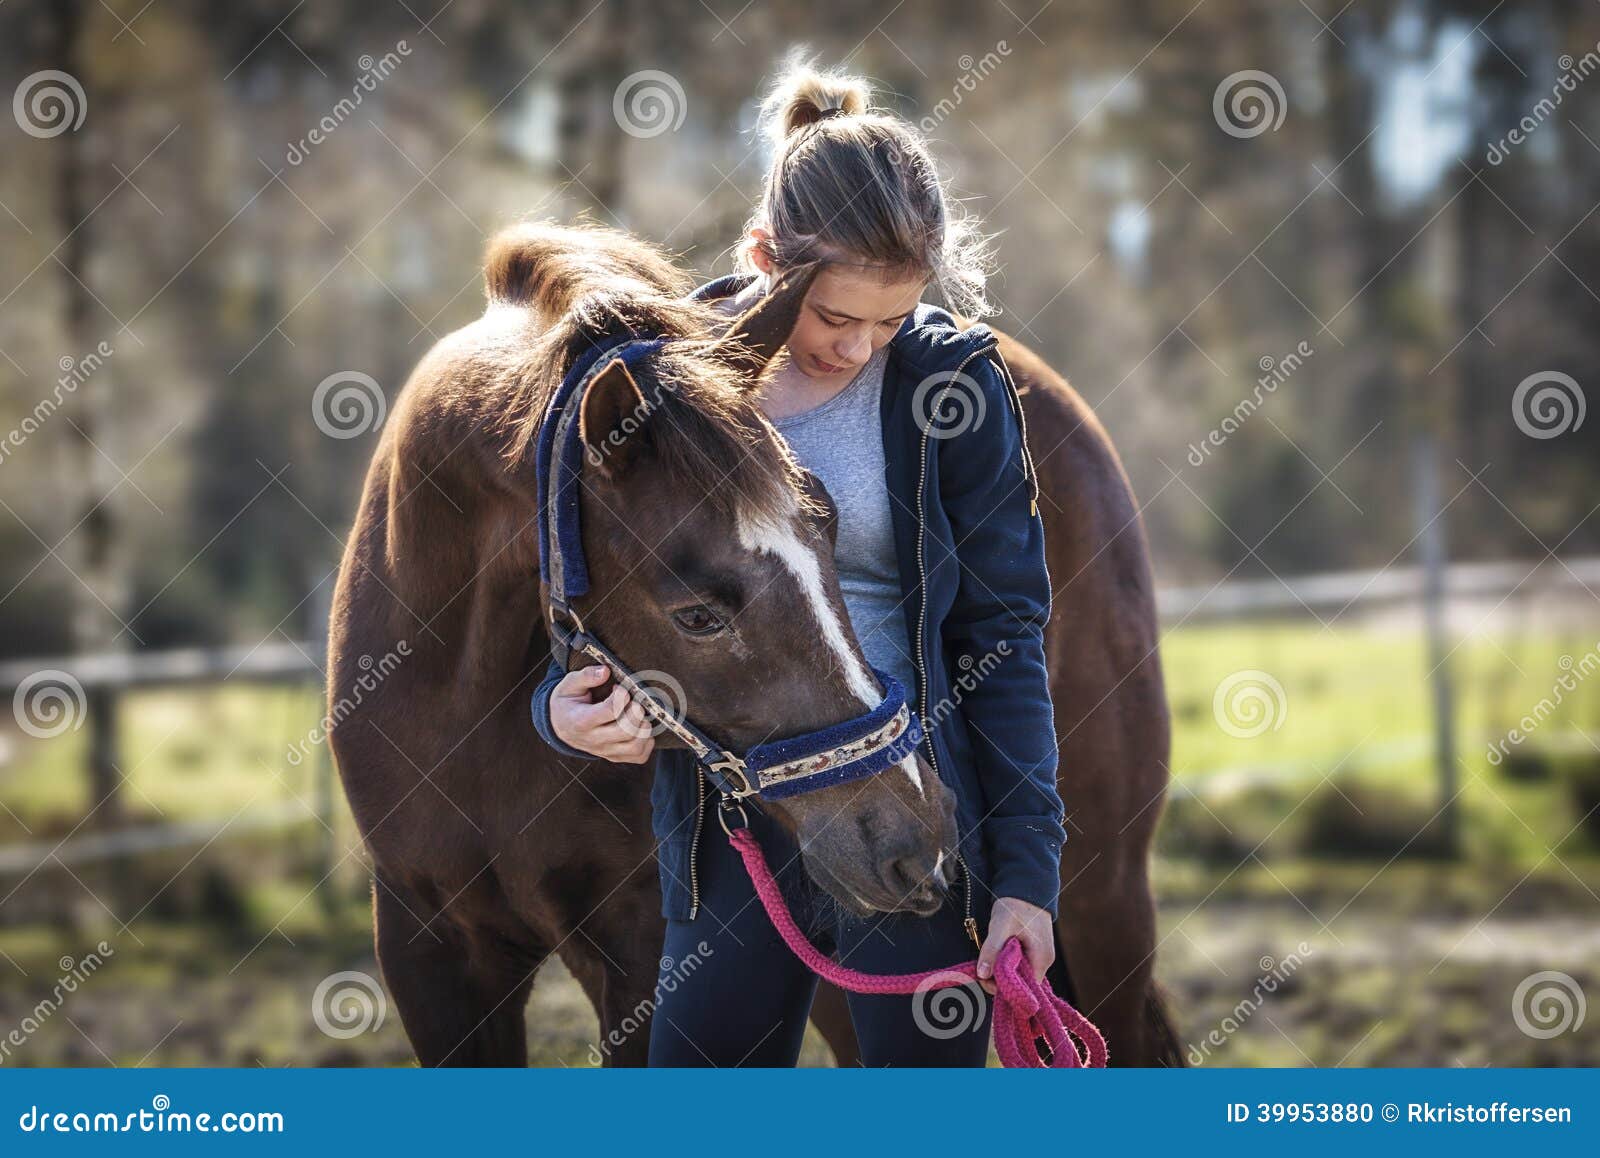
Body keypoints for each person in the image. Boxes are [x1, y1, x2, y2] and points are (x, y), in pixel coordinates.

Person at [530, 56, 1067, 1067]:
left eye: (890, 320)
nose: (860, 348)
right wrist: (557, 709)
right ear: (763, 256)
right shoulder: (661, 391)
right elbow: (584, 603)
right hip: (726, 827)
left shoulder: (954, 390)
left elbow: (1003, 637)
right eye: (833, 317)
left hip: (909, 810)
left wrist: (1027, 877)